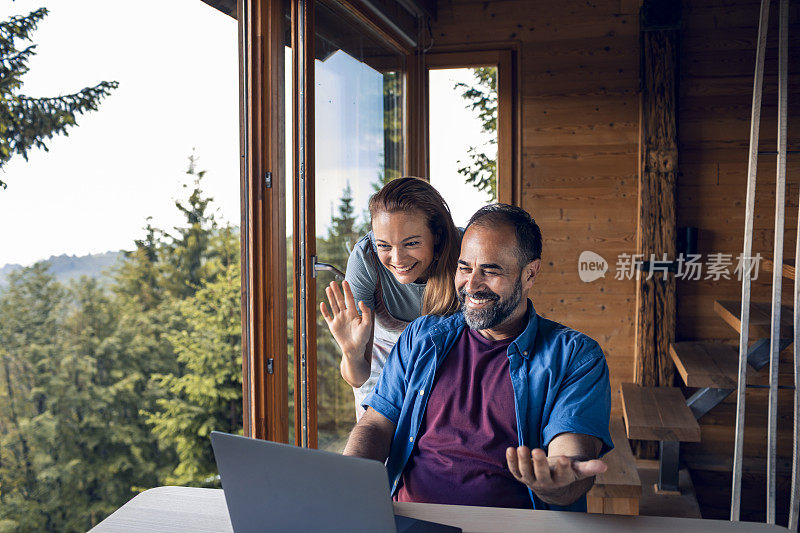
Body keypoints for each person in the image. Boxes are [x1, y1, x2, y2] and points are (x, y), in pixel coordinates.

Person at [342, 203, 613, 511]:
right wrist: (346, 477)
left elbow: (569, 455)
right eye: (465, 267)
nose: (471, 285)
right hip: (409, 518)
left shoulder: (575, 357)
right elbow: (376, 425)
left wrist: (555, 480)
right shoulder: (422, 337)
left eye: (491, 270)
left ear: (530, 274)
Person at [320, 177, 461, 419]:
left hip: (453, 361)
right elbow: (359, 378)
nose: (397, 259)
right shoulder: (366, 259)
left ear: (436, 235)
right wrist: (351, 353)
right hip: (384, 363)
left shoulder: (465, 253)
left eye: (412, 243)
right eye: (384, 245)